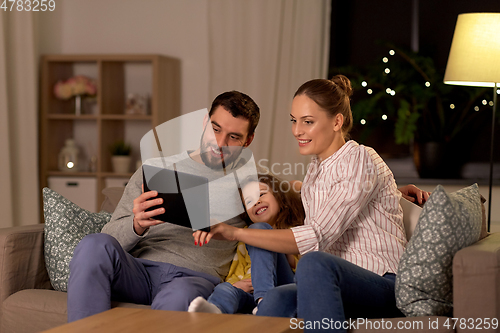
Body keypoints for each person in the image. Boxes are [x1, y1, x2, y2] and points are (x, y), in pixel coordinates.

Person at [193, 75, 430, 331]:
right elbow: (335, 194)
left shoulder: (359, 157)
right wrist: (392, 191)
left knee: (313, 261)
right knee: (273, 292)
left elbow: (317, 235)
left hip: (380, 283)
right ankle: (258, 302)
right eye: (294, 121)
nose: (297, 131)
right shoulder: (316, 171)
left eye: (308, 122)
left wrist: (233, 232)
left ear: (337, 121)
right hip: (324, 283)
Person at [67, 91, 261, 322]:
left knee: (179, 298)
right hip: (136, 270)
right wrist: (136, 225)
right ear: (204, 123)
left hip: (192, 279)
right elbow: (108, 239)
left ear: (248, 141)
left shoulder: (250, 185)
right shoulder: (156, 169)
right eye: (215, 129)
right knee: (93, 244)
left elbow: (276, 232)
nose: (219, 143)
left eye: (234, 137)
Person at [187, 173, 304, 315]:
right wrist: (237, 285)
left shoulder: (296, 230)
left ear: (280, 198)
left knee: (260, 231)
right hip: (250, 296)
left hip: (284, 287)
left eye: (261, 194)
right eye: (249, 201)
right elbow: (236, 272)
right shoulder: (244, 239)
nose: (256, 202)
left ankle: (264, 301)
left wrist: (297, 185)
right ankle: (215, 309)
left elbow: (300, 265)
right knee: (224, 288)